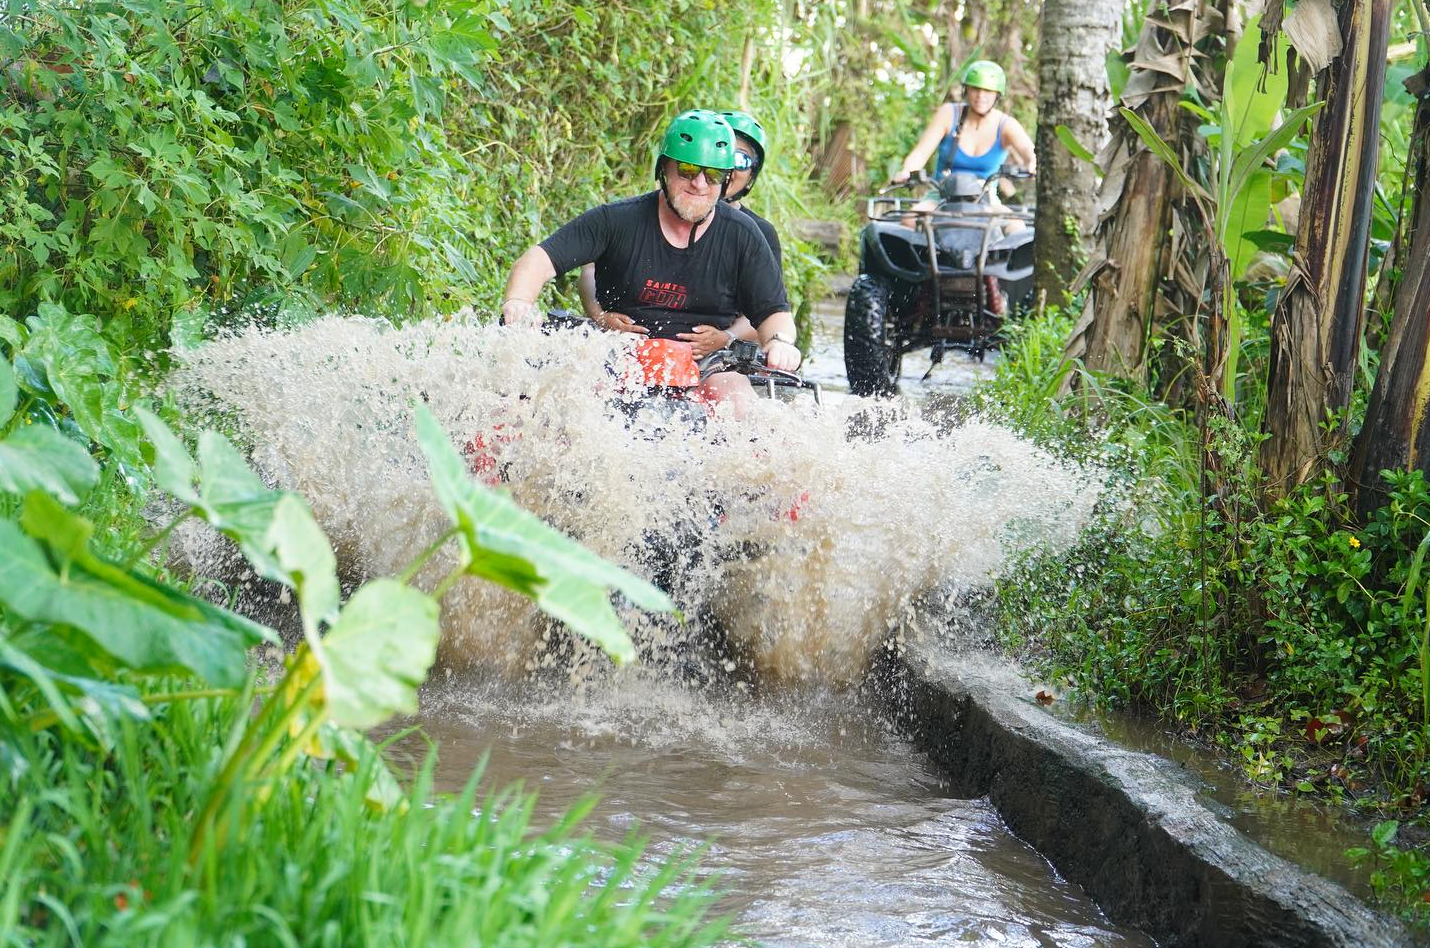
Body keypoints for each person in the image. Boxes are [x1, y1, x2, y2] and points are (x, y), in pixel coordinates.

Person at [503, 110, 799, 407]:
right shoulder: (617, 220)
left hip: (708, 365)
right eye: (686, 169)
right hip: (615, 353)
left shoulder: (744, 234)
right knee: (568, 391)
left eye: (712, 176)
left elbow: (775, 313)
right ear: (664, 170)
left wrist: (780, 342)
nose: (699, 184)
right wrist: (519, 303)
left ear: (725, 182)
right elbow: (538, 260)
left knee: (737, 399)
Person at [578, 108, 780, 352]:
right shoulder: (637, 215)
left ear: (750, 176)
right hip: (636, 342)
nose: (703, 177)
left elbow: (769, 309)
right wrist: (600, 317)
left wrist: (727, 337)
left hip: (714, 354)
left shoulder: (754, 233)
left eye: (740, 159)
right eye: (693, 163)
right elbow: (591, 269)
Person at [891, 60, 1036, 204]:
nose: (981, 95)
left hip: (985, 198)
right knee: (910, 221)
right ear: (966, 90)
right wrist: (907, 170)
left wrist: (1032, 163)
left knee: (1016, 225)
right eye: (975, 89)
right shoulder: (949, 114)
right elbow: (921, 152)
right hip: (942, 195)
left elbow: (1029, 150)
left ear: (997, 95)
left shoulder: (1006, 125)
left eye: (988, 91)